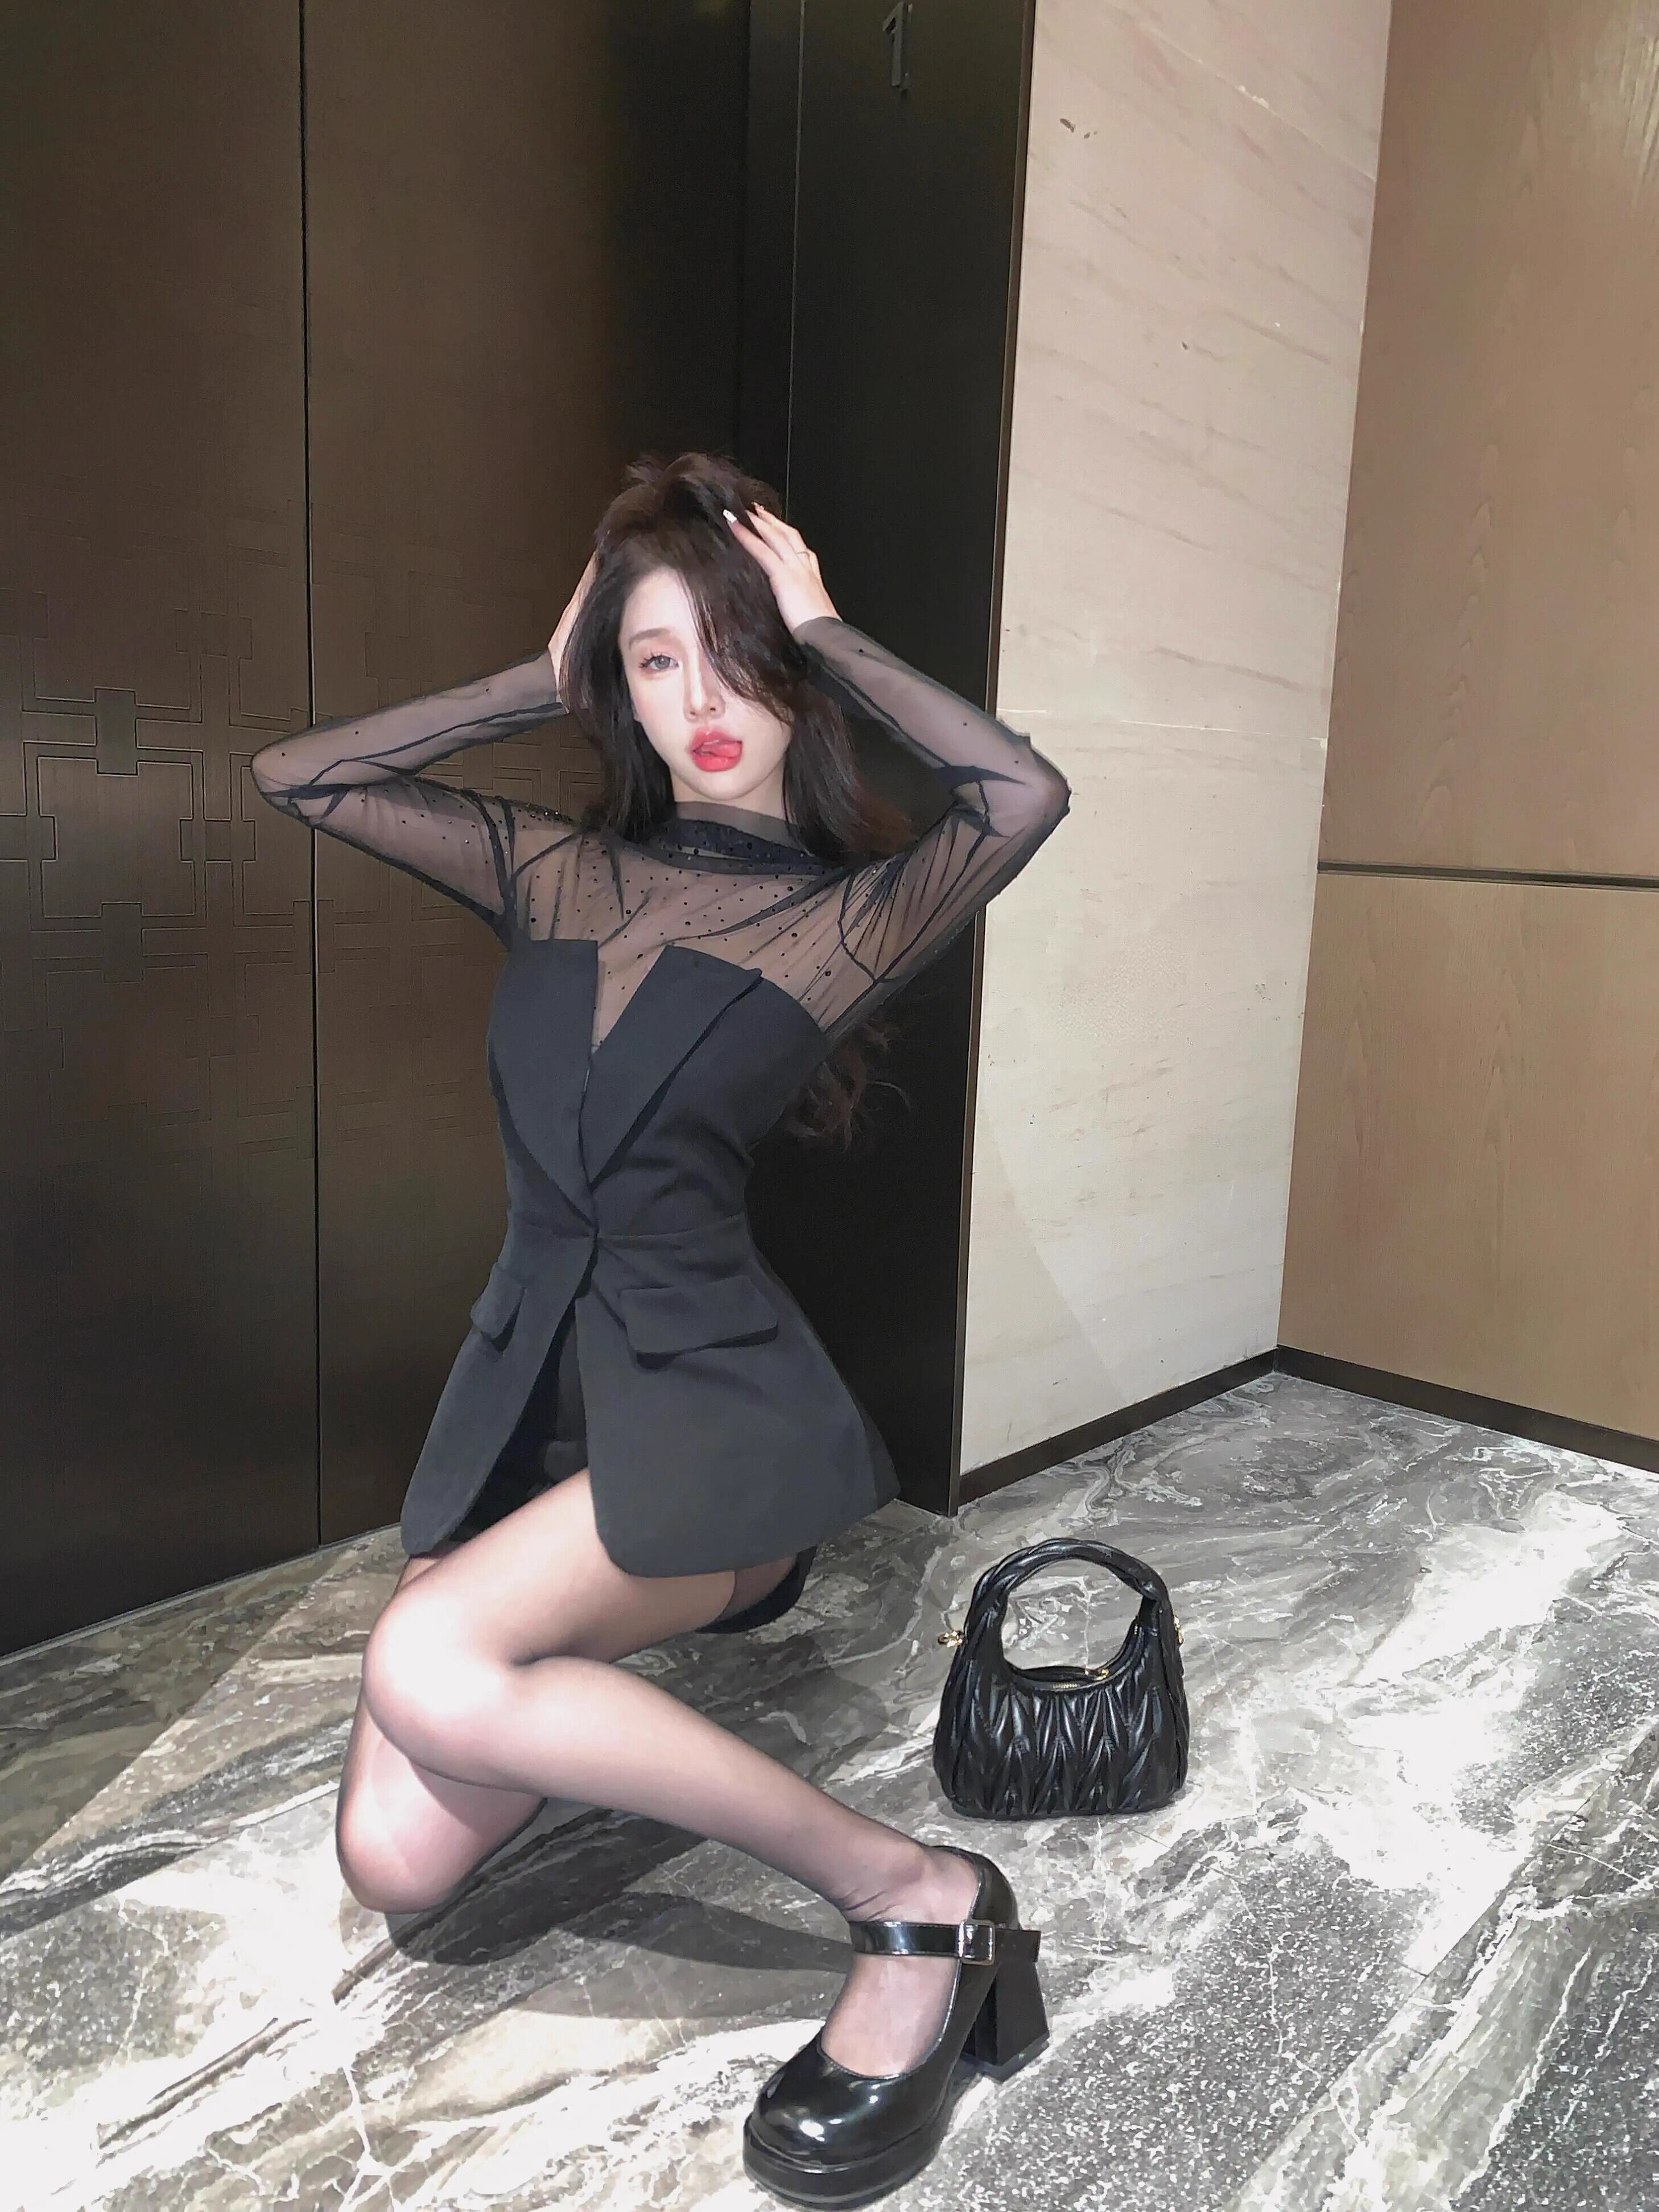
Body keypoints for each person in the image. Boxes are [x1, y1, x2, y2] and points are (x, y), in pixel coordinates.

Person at [251, 451, 1068, 2206]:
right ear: (610, 687)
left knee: (426, 1666)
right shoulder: (554, 873)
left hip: (717, 1420)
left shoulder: (842, 924)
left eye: (738, 654)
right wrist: (533, 675)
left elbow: (1019, 794)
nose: (703, 701)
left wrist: (825, 627)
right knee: (396, 1864)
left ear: (797, 675)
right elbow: (297, 776)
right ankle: (550, 1682)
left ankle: (920, 1902)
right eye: (653, 662)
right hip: (534, 1409)